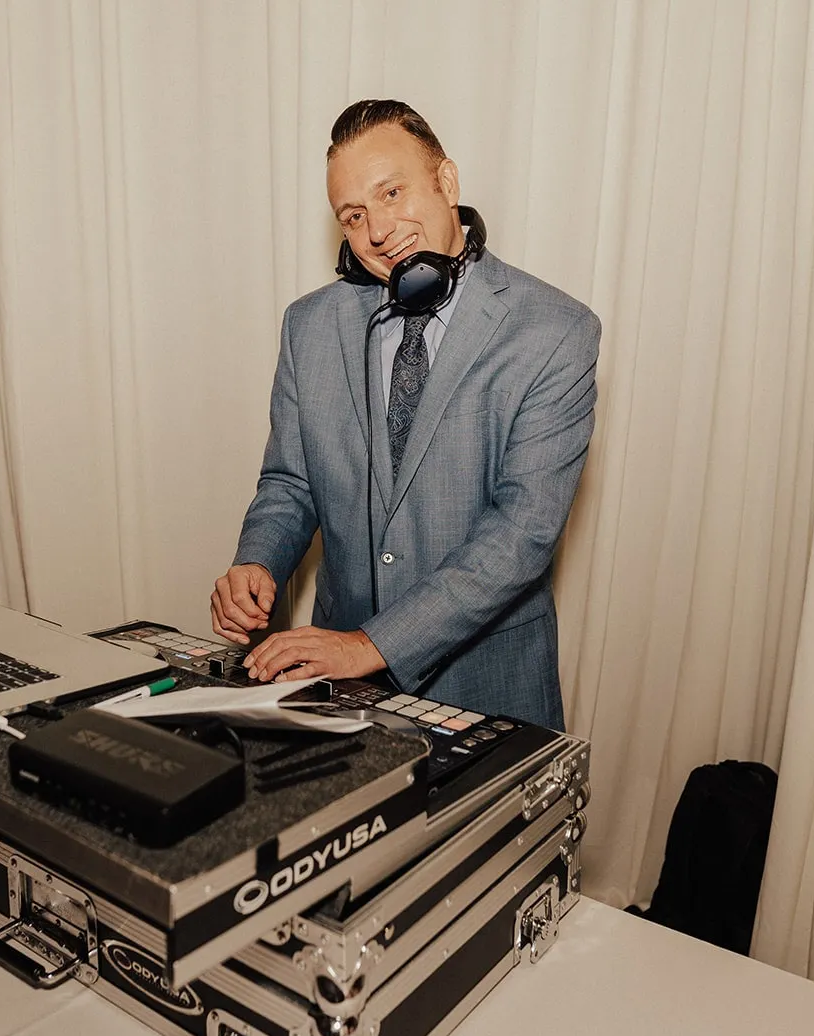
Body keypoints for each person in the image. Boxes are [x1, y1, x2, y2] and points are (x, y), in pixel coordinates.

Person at [209, 99, 599, 730]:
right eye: (354, 215)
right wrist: (258, 562)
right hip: (334, 694)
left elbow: (521, 534)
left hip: (487, 690)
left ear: (446, 182)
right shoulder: (310, 326)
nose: (379, 230)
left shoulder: (555, 331)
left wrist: (370, 645)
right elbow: (290, 483)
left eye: (393, 192)